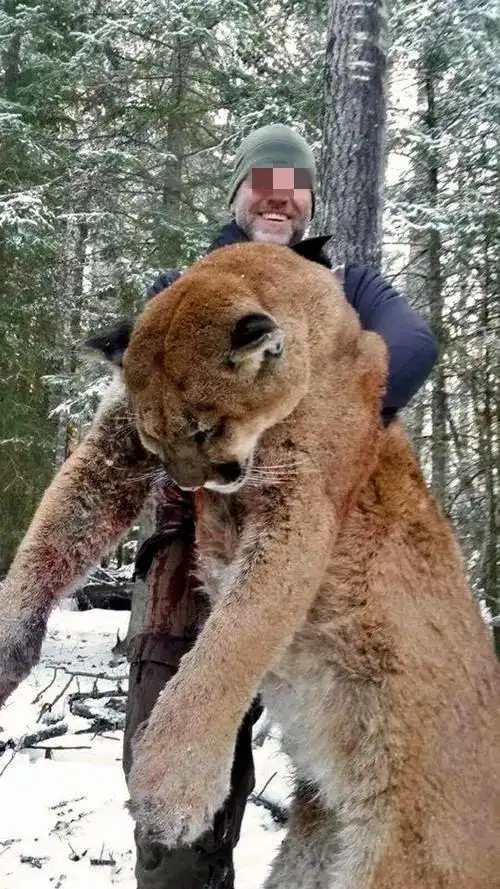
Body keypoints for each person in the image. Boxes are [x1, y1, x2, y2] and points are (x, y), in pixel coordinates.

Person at [122, 124, 438, 889]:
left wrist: (298, 422)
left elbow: (412, 344)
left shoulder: (348, 287)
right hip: (190, 551)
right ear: (235, 193)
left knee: (347, 777)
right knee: (171, 791)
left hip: (319, 564)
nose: (280, 200)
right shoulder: (186, 284)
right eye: (262, 184)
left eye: (295, 190)